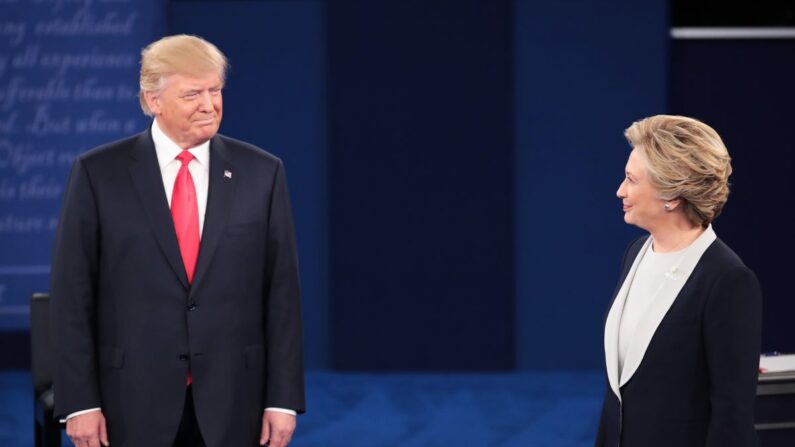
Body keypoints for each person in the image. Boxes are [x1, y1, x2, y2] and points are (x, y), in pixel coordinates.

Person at [50, 34, 305, 447]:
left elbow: (282, 295)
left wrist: (283, 400)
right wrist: (80, 403)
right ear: (153, 101)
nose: (209, 104)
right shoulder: (99, 174)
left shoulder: (263, 173)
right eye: (192, 94)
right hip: (128, 402)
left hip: (235, 401)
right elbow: (71, 296)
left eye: (215, 90)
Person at [595, 115, 762, 446]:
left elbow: (732, 420)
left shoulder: (728, 281)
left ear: (671, 195)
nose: (620, 190)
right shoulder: (635, 253)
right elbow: (620, 395)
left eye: (631, 180)